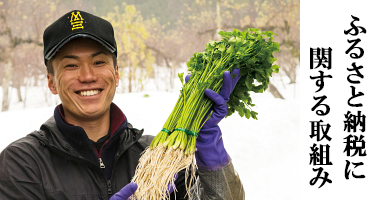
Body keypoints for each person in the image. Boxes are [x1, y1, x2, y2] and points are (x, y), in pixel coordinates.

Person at [0, 10, 244, 200]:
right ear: (51, 82)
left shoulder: (154, 156)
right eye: (71, 65)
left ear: (116, 74)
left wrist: (211, 149)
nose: (87, 76)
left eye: (98, 62)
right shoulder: (22, 162)